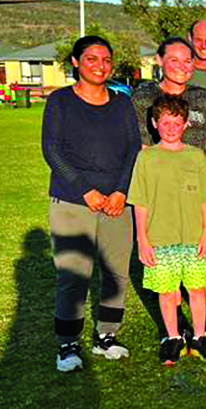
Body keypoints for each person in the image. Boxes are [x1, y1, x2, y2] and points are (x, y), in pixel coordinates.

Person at [132, 37, 206, 347]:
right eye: (174, 59)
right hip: (161, 190)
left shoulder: (204, 97)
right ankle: (177, 323)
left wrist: (198, 185)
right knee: (167, 250)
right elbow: (143, 145)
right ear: (159, 60)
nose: (182, 66)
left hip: (199, 188)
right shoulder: (144, 97)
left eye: (187, 60)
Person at [42, 36, 142, 371]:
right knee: (74, 274)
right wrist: (85, 190)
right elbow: (52, 149)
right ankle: (67, 344)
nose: (100, 66)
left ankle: (106, 336)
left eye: (106, 60)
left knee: (116, 273)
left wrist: (121, 191)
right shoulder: (60, 101)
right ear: (75, 62)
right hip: (73, 200)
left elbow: (133, 148)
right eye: (92, 59)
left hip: (116, 202)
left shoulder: (122, 103)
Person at [129, 95, 206, 364]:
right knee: (167, 292)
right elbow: (140, 201)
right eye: (165, 123)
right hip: (159, 238)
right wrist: (142, 239)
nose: (171, 128)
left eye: (177, 123)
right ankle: (173, 338)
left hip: (193, 237)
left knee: (196, 289)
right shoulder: (146, 158)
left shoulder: (195, 156)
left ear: (186, 125)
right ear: (154, 123)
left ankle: (200, 337)